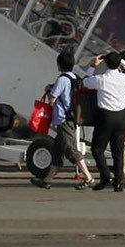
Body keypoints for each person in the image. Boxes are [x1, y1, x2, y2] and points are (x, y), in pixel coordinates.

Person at [34, 51, 93, 190]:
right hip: (72, 117)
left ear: (59, 64)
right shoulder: (75, 78)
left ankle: (89, 178)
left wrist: (49, 91)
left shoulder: (62, 79)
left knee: (71, 150)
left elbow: (52, 99)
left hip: (63, 120)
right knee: (57, 152)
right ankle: (47, 180)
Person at [83, 51, 125, 192]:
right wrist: (122, 61)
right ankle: (118, 182)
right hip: (121, 116)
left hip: (106, 116)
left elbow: (86, 82)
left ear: (106, 63)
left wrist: (92, 66)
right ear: (118, 64)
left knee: (97, 149)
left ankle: (105, 176)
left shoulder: (101, 79)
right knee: (117, 151)